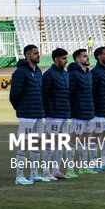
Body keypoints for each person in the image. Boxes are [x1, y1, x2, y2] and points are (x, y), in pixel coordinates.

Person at [10, 45, 48, 185]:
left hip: (38, 114)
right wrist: (21, 109)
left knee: (36, 144)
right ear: (27, 55)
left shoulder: (38, 71)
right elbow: (14, 95)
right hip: (27, 114)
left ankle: (34, 174)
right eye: (35, 53)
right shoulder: (20, 72)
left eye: (38, 53)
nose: (38, 55)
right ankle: (19, 176)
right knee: (24, 144)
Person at [42, 48, 71, 180]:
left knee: (60, 144)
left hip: (64, 114)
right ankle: (45, 172)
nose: (66, 60)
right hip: (53, 115)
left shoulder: (65, 74)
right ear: (56, 59)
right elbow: (44, 94)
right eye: (64, 58)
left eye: (66, 58)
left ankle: (56, 170)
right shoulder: (48, 74)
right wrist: (49, 111)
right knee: (50, 144)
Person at [68, 48, 97, 176]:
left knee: (85, 141)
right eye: (84, 56)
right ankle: (69, 169)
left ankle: (83, 166)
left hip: (89, 113)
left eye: (87, 55)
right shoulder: (73, 74)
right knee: (73, 141)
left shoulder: (89, 74)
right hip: (78, 114)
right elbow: (70, 94)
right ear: (77, 59)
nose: (87, 58)